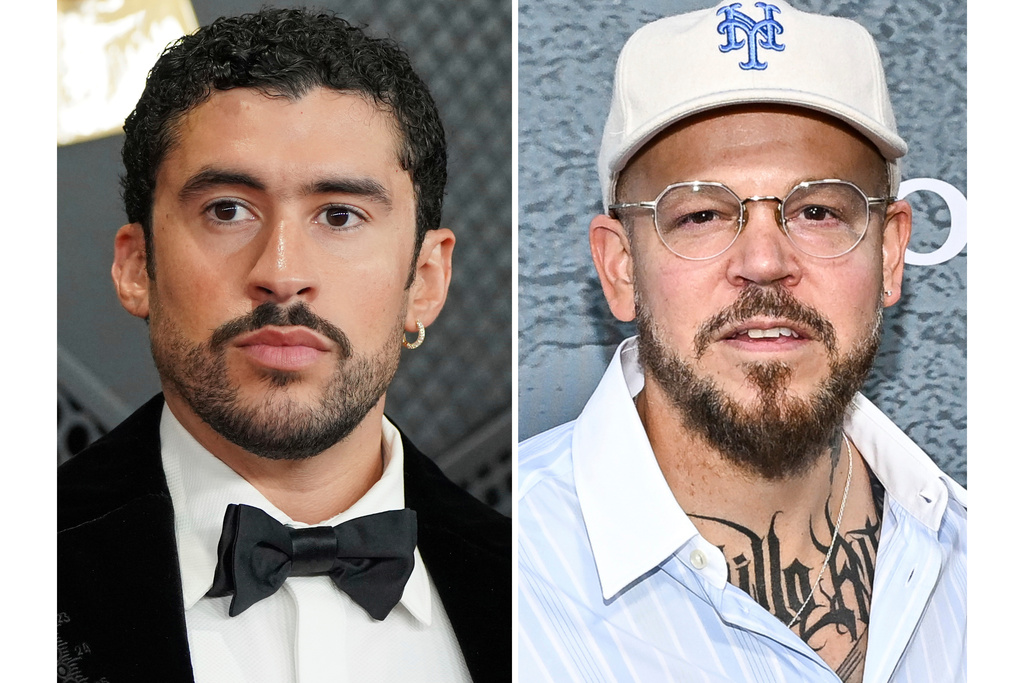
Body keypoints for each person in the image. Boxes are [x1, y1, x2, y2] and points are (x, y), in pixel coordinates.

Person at [58, 8, 510, 683]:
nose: (282, 271)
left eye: (339, 215)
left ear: (425, 280)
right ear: (135, 266)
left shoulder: (544, 590)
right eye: (227, 210)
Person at [517, 2, 966, 681]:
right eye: (700, 213)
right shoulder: (494, 568)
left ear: (892, 252)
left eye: (818, 210)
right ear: (620, 267)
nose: (763, 260)